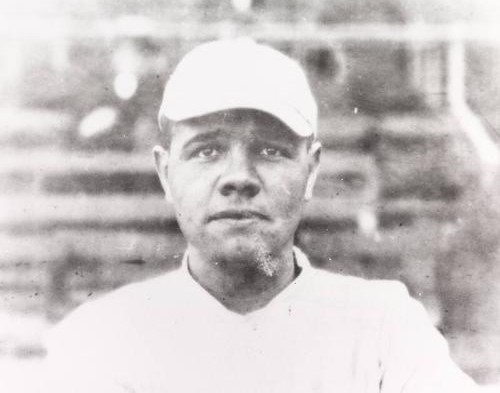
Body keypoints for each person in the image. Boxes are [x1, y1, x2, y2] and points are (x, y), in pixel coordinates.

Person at [42, 38, 478, 393]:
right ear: (165, 172)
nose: (238, 178)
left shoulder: (384, 329)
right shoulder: (99, 340)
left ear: (311, 171)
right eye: (207, 151)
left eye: (271, 151)